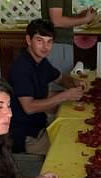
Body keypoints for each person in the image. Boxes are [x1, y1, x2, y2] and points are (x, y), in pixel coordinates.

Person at [8, 18, 84, 154]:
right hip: (26, 135)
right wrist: (64, 96)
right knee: (73, 147)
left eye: (49, 41)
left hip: (40, 126)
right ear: (28, 40)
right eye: (40, 40)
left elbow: (61, 79)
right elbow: (29, 107)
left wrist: (75, 82)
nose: (45, 47)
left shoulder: (41, 62)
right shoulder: (21, 67)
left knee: (77, 132)